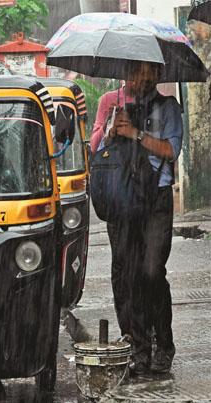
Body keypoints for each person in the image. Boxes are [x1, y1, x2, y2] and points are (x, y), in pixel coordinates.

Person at [90, 62, 183, 375]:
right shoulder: (115, 105)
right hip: (127, 199)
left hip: (156, 198)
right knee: (130, 275)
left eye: (147, 72)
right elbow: (99, 151)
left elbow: (171, 150)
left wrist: (137, 133)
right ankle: (140, 350)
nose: (141, 78)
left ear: (157, 75)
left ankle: (164, 343)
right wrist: (112, 131)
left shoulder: (168, 108)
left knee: (151, 271)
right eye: (136, 72)